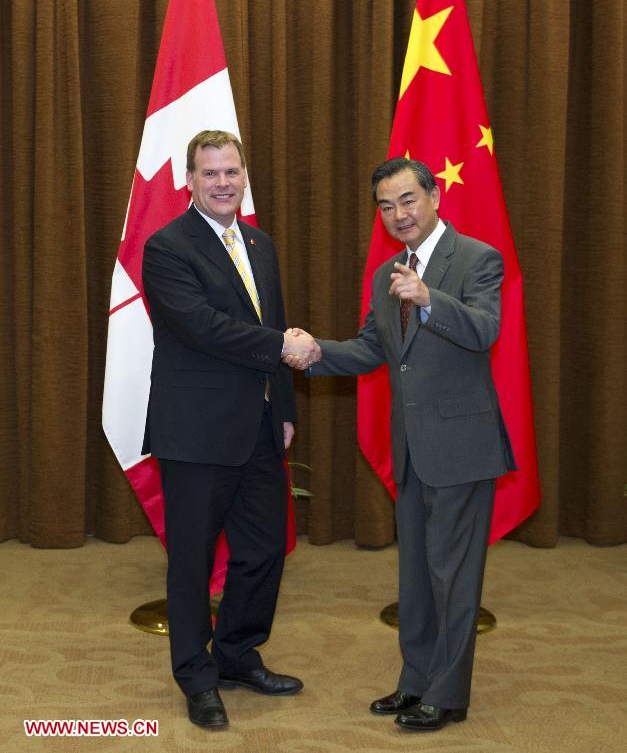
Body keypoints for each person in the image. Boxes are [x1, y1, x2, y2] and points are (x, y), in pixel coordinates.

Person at [284, 157, 516, 732]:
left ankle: (449, 693)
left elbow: (486, 330)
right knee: (415, 576)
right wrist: (316, 352)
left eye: (408, 200)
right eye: (386, 207)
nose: (398, 215)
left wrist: (430, 296)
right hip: (412, 449)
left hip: (462, 447)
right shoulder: (388, 272)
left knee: (454, 577)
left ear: (435, 197)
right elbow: (373, 349)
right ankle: (415, 683)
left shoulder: (477, 259)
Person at [142, 129, 320, 730]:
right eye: (209, 173)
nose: (222, 183)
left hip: (263, 426)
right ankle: (196, 676)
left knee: (265, 549)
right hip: (195, 432)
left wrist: (287, 408)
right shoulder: (167, 247)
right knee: (191, 560)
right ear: (190, 182)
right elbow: (201, 326)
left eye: (231, 172)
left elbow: (275, 322)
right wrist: (284, 346)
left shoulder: (260, 244)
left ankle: (238, 655)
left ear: (244, 177)